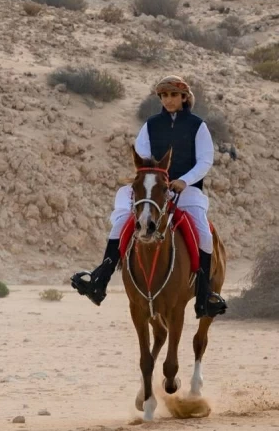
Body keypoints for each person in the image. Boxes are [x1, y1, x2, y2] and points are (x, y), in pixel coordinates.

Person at [71, 75, 227, 317]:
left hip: (186, 189)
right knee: (122, 221)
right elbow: (143, 155)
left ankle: (205, 294)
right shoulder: (151, 125)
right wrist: (155, 178)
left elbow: (205, 160)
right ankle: (100, 279)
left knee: (205, 235)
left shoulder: (198, 126)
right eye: (164, 96)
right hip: (154, 190)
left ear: (184, 98)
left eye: (174, 95)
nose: (168, 100)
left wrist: (183, 181)